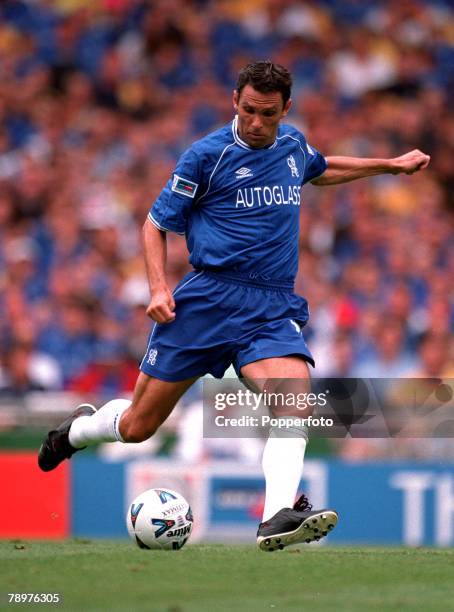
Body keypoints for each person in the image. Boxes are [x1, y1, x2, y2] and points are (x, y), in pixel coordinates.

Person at [38, 61, 430, 551]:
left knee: (293, 397)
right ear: (234, 102)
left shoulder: (292, 148)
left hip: (268, 305)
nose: (256, 122)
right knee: (139, 426)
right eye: (248, 110)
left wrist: (389, 165)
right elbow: (154, 225)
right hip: (205, 301)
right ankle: (76, 431)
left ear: (286, 109)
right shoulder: (206, 157)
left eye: (268, 113)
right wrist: (159, 289)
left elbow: (322, 168)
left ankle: (276, 517)